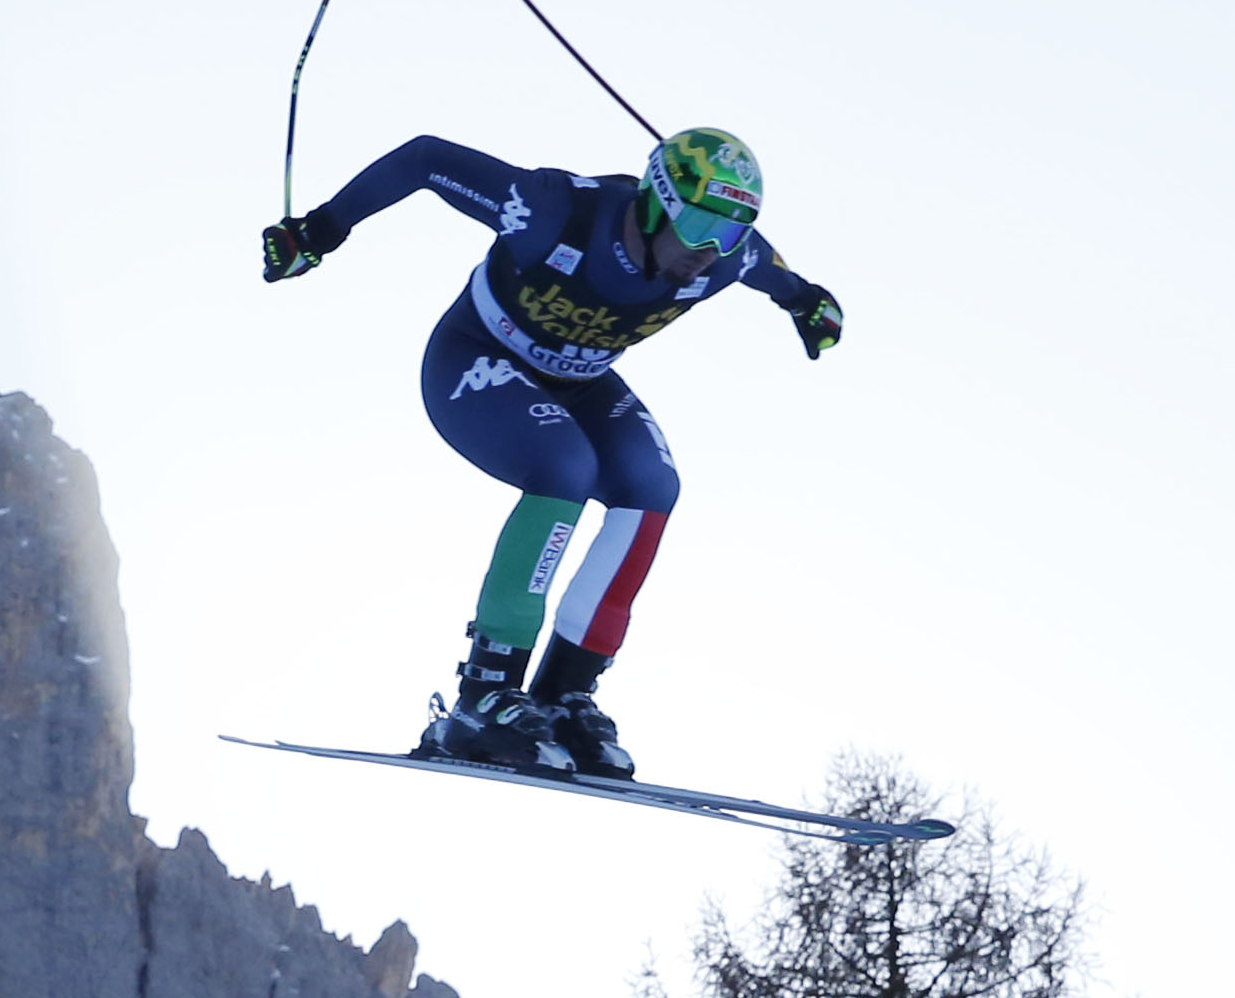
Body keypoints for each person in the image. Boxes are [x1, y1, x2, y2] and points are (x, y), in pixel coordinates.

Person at [260, 126, 841, 780]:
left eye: (730, 231)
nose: (710, 251)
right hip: (474, 358)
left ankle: (564, 695)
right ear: (655, 204)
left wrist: (809, 303)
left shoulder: (726, 260)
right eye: (701, 225)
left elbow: (772, 269)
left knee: (653, 483)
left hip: (580, 378)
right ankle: (482, 699)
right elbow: (426, 159)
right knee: (566, 465)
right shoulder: (551, 212)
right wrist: (318, 230)